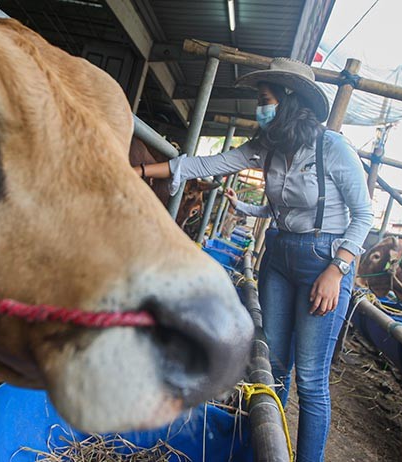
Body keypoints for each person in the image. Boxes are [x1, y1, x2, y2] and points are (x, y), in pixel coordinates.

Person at [135, 57, 373, 462]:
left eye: (265, 100)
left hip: (324, 260)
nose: (259, 108)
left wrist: (337, 270)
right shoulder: (265, 148)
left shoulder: (331, 147)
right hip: (279, 256)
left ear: (290, 100)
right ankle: (264, 450)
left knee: (311, 379)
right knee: (273, 364)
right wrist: (141, 171)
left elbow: (364, 214)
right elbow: (206, 164)